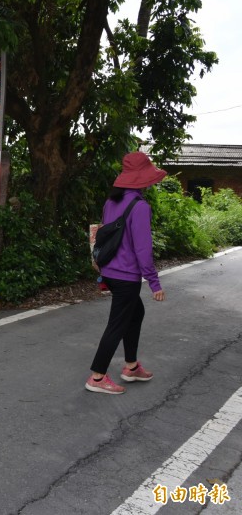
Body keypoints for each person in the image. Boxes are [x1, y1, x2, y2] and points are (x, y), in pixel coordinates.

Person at [86, 151, 167, 395]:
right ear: (143, 178)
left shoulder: (112, 201)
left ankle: (131, 366)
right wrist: (154, 283)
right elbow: (143, 249)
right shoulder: (140, 207)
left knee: (135, 312)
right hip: (125, 276)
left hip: (109, 270)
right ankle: (98, 377)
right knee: (118, 323)